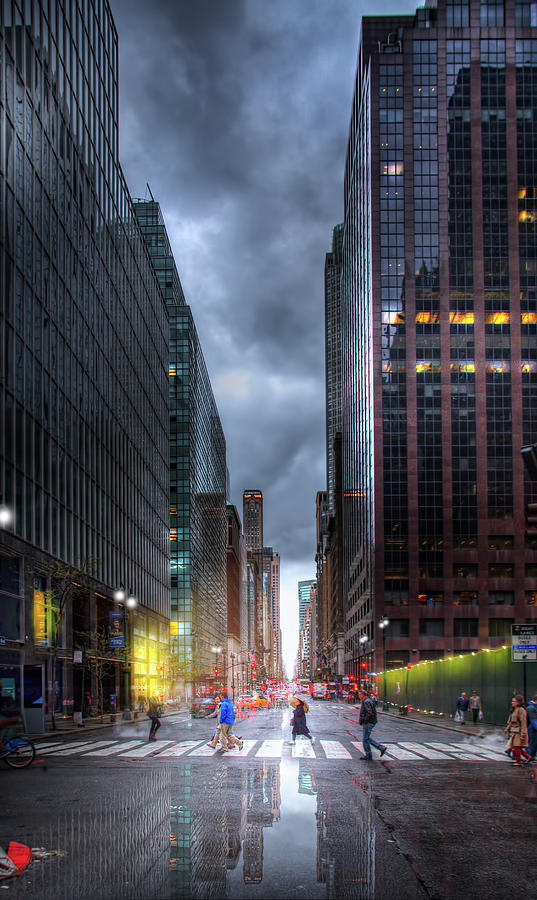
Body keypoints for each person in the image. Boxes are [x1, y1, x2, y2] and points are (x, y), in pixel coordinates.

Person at [358, 689, 387, 760]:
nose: (358, 696)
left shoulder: (366, 702)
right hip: (370, 721)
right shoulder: (367, 700)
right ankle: (377, 750)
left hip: (369, 722)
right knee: (366, 738)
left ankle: (371, 753)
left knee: (365, 739)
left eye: (359, 694)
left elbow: (369, 713)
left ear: (362, 695)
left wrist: (364, 720)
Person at [505, 694, 531, 767]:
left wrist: (523, 732)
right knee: (515, 746)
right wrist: (507, 728)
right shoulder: (514, 709)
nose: (512, 702)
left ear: (518, 702)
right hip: (514, 730)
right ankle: (527, 757)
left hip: (518, 731)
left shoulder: (521, 710)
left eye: (514, 701)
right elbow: (510, 720)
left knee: (516, 746)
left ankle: (518, 761)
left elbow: (523, 722)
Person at [0, 682, 20, 754]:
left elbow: (4, 709)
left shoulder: (4, 695)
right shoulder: (5, 693)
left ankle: (3, 749)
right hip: (11, 717)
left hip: (11, 717)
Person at [523, 694, 537, 765]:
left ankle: (531, 757)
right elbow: (533, 720)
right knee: (532, 744)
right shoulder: (531, 708)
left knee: (533, 744)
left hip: (532, 728)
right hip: (532, 729)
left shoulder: (532, 707)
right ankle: (529, 757)